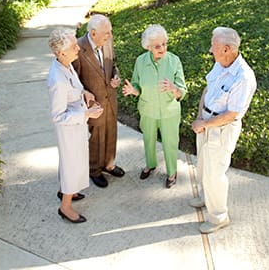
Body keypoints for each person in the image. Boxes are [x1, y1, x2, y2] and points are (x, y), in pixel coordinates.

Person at [190, 27, 257, 234]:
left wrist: (205, 124)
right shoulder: (221, 63)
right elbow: (207, 89)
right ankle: (205, 197)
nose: (211, 50)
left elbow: (232, 114)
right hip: (206, 123)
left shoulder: (243, 77)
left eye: (214, 46)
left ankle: (218, 217)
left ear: (227, 49)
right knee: (203, 166)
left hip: (221, 130)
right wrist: (201, 116)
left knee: (214, 174)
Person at [47, 28, 104, 223]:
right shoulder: (57, 80)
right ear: (61, 52)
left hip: (76, 126)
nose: (78, 48)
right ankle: (66, 206)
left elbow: (75, 86)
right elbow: (58, 116)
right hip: (69, 131)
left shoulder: (66, 65)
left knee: (73, 162)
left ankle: (65, 190)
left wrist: (84, 94)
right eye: (73, 46)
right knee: (72, 165)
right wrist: (86, 113)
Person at [122, 24, 187, 188]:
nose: (162, 48)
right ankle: (150, 164)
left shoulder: (174, 61)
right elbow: (137, 85)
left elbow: (182, 91)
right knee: (148, 139)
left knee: (170, 142)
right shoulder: (140, 61)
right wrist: (133, 90)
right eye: (157, 46)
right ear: (148, 47)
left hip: (169, 111)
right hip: (148, 110)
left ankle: (172, 172)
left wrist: (174, 89)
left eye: (164, 44)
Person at [72, 14, 125, 188]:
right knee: (96, 135)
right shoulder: (78, 48)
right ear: (93, 33)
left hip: (110, 98)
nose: (110, 35)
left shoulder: (108, 41)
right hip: (93, 103)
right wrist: (85, 93)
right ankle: (94, 170)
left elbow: (113, 64)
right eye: (106, 33)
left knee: (111, 130)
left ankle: (109, 164)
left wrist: (115, 76)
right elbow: (73, 79)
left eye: (110, 32)